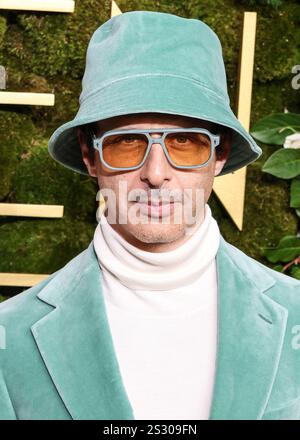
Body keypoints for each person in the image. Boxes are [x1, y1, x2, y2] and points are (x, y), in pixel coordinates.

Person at [0, 10, 299, 421]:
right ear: (90, 156)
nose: (156, 174)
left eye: (185, 142)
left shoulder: (294, 314)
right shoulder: (10, 337)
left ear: (220, 154)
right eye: (125, 143)